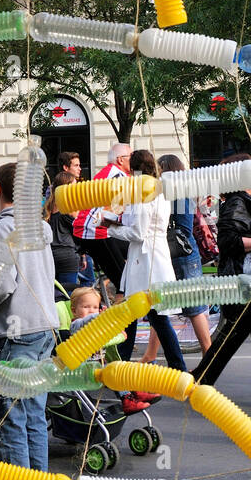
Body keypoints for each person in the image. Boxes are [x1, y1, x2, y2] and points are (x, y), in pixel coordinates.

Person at [0, 161, 60, 480]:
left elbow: (1, 285)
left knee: (9, 416)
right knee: (35, 415)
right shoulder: (39, 228)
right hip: (43, 329)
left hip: (14, 332)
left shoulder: (3, 230)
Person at [190, 154, 251, 408]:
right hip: (246, 281)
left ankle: (200, 379)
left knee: (239, 335)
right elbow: (228, 243)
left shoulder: (245, 201)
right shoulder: (237, 203)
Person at [117, 150, 187, 370]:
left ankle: (122, 364)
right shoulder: (159, 191)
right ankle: (177, 366)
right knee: (155, 317)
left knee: (136, 314)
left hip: (144, 260)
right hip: (156, 256)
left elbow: (138, 233)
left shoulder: (142, 193)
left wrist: (111, 229)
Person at [158, 154, 212, 354]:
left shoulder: (179, 194)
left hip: (183, 256)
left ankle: (209, 354)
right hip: (181, 256)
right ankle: (150, 354)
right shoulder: (176, 193)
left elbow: (184, 229)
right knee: (161, 309)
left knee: (193, 309)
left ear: (166, 168)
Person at [73, 143, 133, 291]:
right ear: (120, 160)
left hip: (89, 229)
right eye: (131, 156)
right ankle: (121, 309)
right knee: (125, 284)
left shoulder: (109, 172)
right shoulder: (118, 176)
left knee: (133, 248)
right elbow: (119, 211)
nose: (134, 159)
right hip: (95, 232)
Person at [48, 170, 81, 296]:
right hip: (67, 256)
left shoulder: (48, 207)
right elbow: (78, 231)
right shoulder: (69, 207)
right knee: (69, 296)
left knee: (53, 295)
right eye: (74, 186)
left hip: (50, 256)